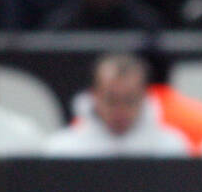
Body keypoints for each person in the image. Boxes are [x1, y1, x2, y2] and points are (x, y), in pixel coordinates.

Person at [46, 53, 191, 157]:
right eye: (111, 100)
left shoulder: (172, 148)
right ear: (94, 95)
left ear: (144, 96)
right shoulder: (62, 150)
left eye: (129, 100)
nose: (120, 110)